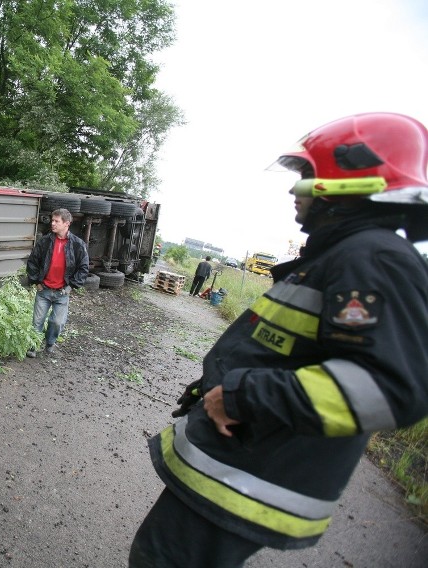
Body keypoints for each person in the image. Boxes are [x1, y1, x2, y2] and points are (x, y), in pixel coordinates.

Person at [129, 112, 428, 567]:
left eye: (307, 174)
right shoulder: (340, 257)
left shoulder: (374, 259)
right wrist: (215, 386)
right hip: (239, 468)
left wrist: (242, 395)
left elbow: (389, 386)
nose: (295, 189)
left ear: (348, 180)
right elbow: (282, 351)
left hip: (246, 475)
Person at [25, 208, 90, 357]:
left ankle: (49, 343)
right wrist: (36, 282)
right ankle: (33, 346)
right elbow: (33, 262)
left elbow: (83, 268)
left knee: (57, 322)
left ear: (66, 223)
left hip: (62, 292)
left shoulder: (78, 244)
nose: (52, 223)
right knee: (37, 322)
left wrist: (71, 286)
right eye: (52, 220)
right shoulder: (45, 241)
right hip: (44, 290)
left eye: (56, 221)